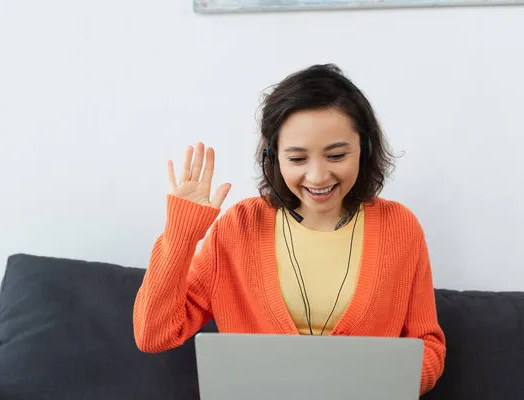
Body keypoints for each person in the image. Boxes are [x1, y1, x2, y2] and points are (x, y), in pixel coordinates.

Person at [133, 64, 446, 395]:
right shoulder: (239, 228)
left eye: (336, 155)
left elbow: (429, 347)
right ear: (274, 157)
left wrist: (373, 384)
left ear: (364, 150)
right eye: (297, 159)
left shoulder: (400, 228)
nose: (317, 176)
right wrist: (182, 235)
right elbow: (155, 334)